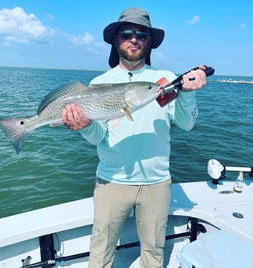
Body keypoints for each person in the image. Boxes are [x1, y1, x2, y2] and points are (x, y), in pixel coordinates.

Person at [61, 7, 207, 268]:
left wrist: (187, 93)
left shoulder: (162, 81)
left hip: (157, 184)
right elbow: (98, 137)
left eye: (142, 34)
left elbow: (186, 124)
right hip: (111, 182)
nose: (134, 39)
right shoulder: (99, 84)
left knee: (153, 253)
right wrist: (83, 126)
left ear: (149, 42)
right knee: (100, 252)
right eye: (127, 33)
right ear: (116, 39)